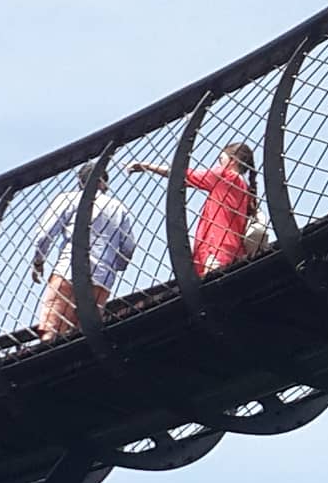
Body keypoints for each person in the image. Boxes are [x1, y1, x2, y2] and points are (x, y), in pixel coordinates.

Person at [29, 162, 139, 338]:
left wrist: (38, 262)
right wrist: (115, 266)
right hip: (101, 279)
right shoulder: (119, 208)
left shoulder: (69, 199)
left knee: (51, 331)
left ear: (80, 182)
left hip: (68, 271)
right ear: (104, 182)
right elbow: (128, 247)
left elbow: (45, 234)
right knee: (86, 335)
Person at [128, 140, 258, 279]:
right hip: (234, 249)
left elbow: (184, 175)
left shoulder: (225, 176)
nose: (219, 163)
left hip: (215, 248)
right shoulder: (246, 189)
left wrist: (148, 166)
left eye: (221, 159)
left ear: (232, 161)